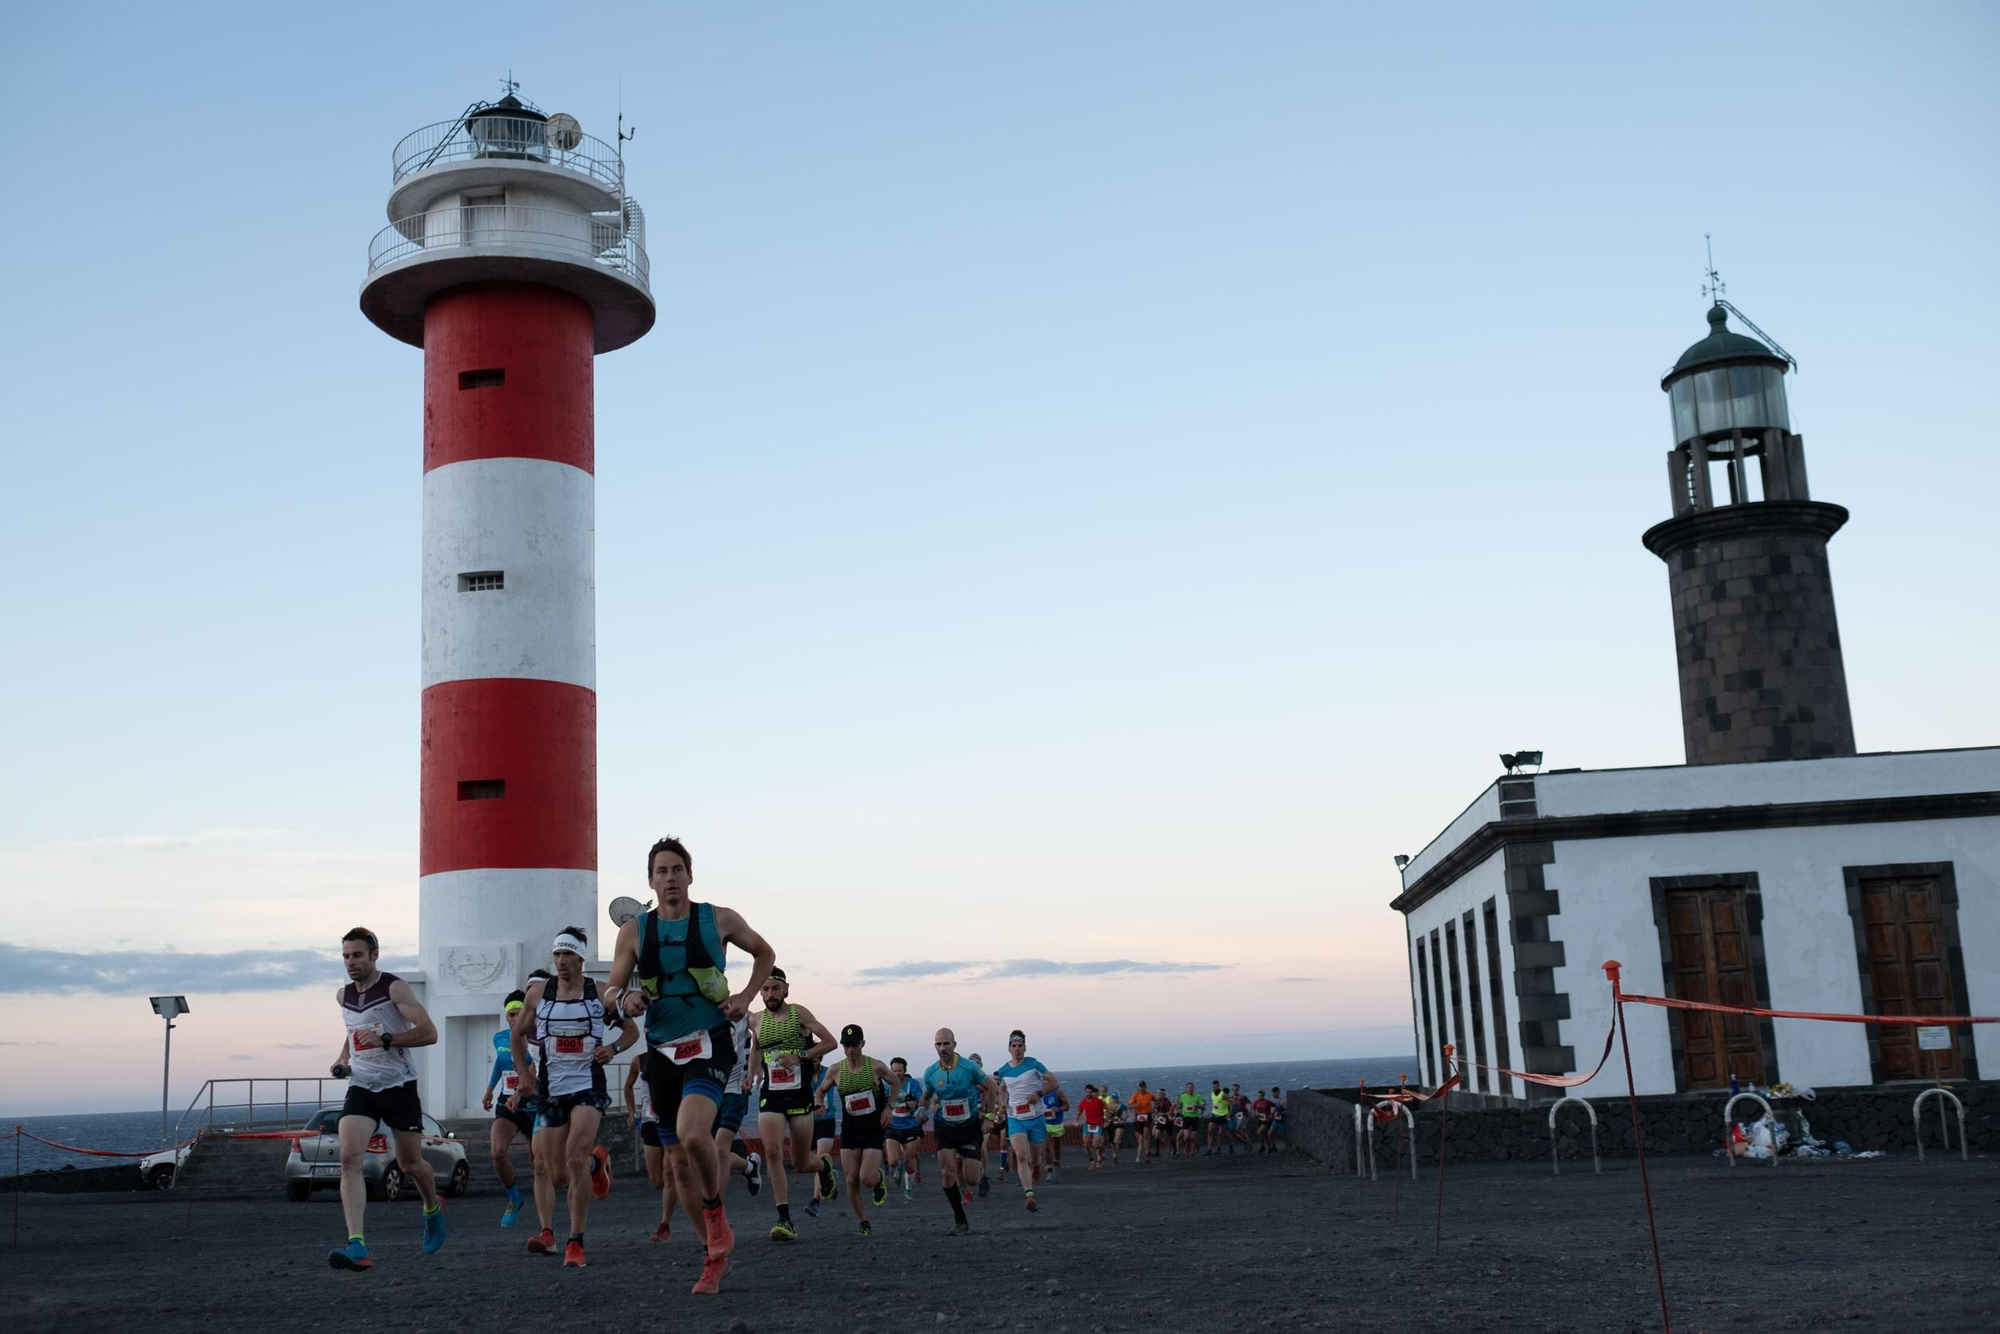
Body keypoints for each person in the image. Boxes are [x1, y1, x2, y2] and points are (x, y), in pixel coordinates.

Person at [604, 836, 778, 1295]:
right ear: (650, 881)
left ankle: (716, 1212)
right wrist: (625, 998)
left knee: (691, 1130)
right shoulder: (634, 932)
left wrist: (744, 996)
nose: (670, 879)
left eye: (677, 870)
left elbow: (765, 953)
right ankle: (713, 1254)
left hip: (712, 1042)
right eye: (661, 872)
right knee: (676, 1168)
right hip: (661, 1050)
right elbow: (609, 989)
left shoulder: (717, 919)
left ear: (690, 875)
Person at [512, 927, 637, 1267]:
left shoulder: (599, 994)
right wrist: (525, 1076)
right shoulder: (538, 994)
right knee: (555, 1173)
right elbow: (517, 1035)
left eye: (568, 955)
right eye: (557, 955)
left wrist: (611, 1049)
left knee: (574, 1160)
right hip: (551, 1090)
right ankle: (600, 1165)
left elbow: (631, 1031)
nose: (562, 961)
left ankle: (575, 1242)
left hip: (588, 1087)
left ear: (582, 958)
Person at [326, 926, 445, 1271]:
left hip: (399, 1086)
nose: (351, 962)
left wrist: (387, 1039)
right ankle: (357, 1245)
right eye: (346, 956)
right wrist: (343, 1060)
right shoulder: (342, 996)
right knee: (349, 1157)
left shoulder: (394, 988)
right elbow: (352, 1033)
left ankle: (431, 1208)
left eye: (358, 955)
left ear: (374, 955)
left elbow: (430, 1032)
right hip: (361, 1087)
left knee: (410, 1164)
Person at [746, 967, 837, 1240]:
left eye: (775, 989)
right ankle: (784, 1220)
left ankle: (823, 1167)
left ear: (786, 989)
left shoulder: (799, 1014)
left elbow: (830, 1042)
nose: (770, 994)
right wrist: (753, 1071)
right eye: (765, 989)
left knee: (800, 1163)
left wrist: (801, 1054)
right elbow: (756, 1047)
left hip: (799, 1096)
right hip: (771, 1094)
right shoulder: (757, 1020)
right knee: (772, 1154)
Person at [813, 1024, 894, 1236]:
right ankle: (863, 1221)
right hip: (850, 1129)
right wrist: (819, 1103)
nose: (850, 1050)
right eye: (846, 1045)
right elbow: (820, 1092)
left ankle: (877, 1178)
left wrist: (889, 1107)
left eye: (854, 1045)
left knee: (866, 1177)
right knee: (851, 1179)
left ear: (862, 1044)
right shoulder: (836, 1070)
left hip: (873, 1129)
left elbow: (894, 1083)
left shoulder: (875, 1066)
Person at [920, 1028, 990, 1234]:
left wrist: (989, 1115)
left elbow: (990, 1087)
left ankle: (976, 1181)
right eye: (938, 1044)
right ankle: (960, 1218)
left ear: (954, 1045)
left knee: (971, 1179)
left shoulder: (969, 1068)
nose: (942, 1048)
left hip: (969, 1127)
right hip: (944, 1127)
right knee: (947, 1172)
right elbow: (926, 1095)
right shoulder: (931, 1072)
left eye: (946, 1044)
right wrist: (922, 1110)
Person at [993, 1029, 1060, 1212]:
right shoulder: (1004, 1070)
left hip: (1036, 1117)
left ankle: (1037, 1166)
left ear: (1025, 1047)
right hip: (1016, 1118)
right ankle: (1029, 1195)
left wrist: (1039, 1094)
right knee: (1021, 1156)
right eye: (1014, 1046)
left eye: (1020, 1046)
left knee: (1034, 1157)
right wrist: (1002, 1105)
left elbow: (1054, 1083)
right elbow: (1001, 1089)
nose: (1017, 1049)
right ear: (1009, 1048)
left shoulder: (1034, 1064)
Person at [482, 989, 533, 1226]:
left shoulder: (536, 1041)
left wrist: (521, 1092)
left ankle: (546, 1214)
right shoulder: (500, 1038)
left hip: (533, 1104)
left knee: (541, 1164)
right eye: (510, 1015)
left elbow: (536, 1070)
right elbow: (501, 1065)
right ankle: (514, 1198)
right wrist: (490, 1089)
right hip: (507, 1103)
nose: (514, 1019)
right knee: (497, 1152)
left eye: (518, 1013)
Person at [624, 1055, 682, 1242]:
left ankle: (664, 1225)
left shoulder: (677, 1056)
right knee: (657, 1181)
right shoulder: (639, 1061)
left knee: (669, 1172)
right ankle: (681, 1187)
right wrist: (632, 1112)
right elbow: (628, 1086)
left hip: (671, 1119)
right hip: (650, 1123)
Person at [884, 1057, 924, 1201]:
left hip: (909, 1127)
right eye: (894, 1071)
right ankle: (897, 1166)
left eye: (900, 1070)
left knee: (909, 1161)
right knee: (893, 1161)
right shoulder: (887, 1085)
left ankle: (908, 1190)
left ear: (905, 1071)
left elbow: (921, 1102)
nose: (897, 1073)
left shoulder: (913, 1084)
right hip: (893, 1127)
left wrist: (916, 1105)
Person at [1041, 1080, 1071, 1181]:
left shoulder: (1058, 1092)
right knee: (1047, 1147)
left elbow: (1067, 1106)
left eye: (1047, 1082)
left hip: (1057, 1124)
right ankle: (1049, 1170)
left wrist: (1059, 1109)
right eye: (1044, 1082)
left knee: (1056, 1148)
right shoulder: (1039, 1093)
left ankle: (1057, 1162)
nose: (1046, 1084)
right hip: (1045, 1124)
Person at [1077, 1085, 1106, 1170]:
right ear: (1085, 1092)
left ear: (1092, 1093)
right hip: (1087, 1124)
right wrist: (1076, 1120)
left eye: (1090, 1092)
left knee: (1095, 1145)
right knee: (1086, 1144)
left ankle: (1101, 1150)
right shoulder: (1083, 1102)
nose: (1088, 1094)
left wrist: (1106, 1120)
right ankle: (1092, 1161)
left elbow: (1106, 1108)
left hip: (1097, 1124)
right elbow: (1079, 1112)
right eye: (1087, 1092)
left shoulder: (1098, 1101)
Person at [1127, 1082, 1155, 1165]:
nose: (1142, 1088)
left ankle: (1146, 1154)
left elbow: (1156, 1100)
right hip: (1139, 1116)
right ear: (1139, 1087)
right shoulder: (1135, 1095)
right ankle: (1147, 1152)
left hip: (1147, 1115)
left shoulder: (1150, 1095)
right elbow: (1129, 1106)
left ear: (1146, 1087)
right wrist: (1136, 1106)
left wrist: (1154, 1108)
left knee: (1145, 1134)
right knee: (1140, 1138)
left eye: (1143, 1087)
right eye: (1140, 1087)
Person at [1177, 1083, 1203, 1158]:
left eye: (1191, 1087)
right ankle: (1187, 1146)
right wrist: (1178, 1107)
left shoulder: (1197, 1096)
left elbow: (1203, 1106)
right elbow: (1179, 1106)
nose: (1190, 1089)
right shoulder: (1182, 1096)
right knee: (1187, 1136)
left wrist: (1197, 1105)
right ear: (1186, 1089)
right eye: (1188, 1087)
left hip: (1194, 1118)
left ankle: (1191, 1153)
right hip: (1186, 1118)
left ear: (1194, 1088)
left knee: (1193, 1137)